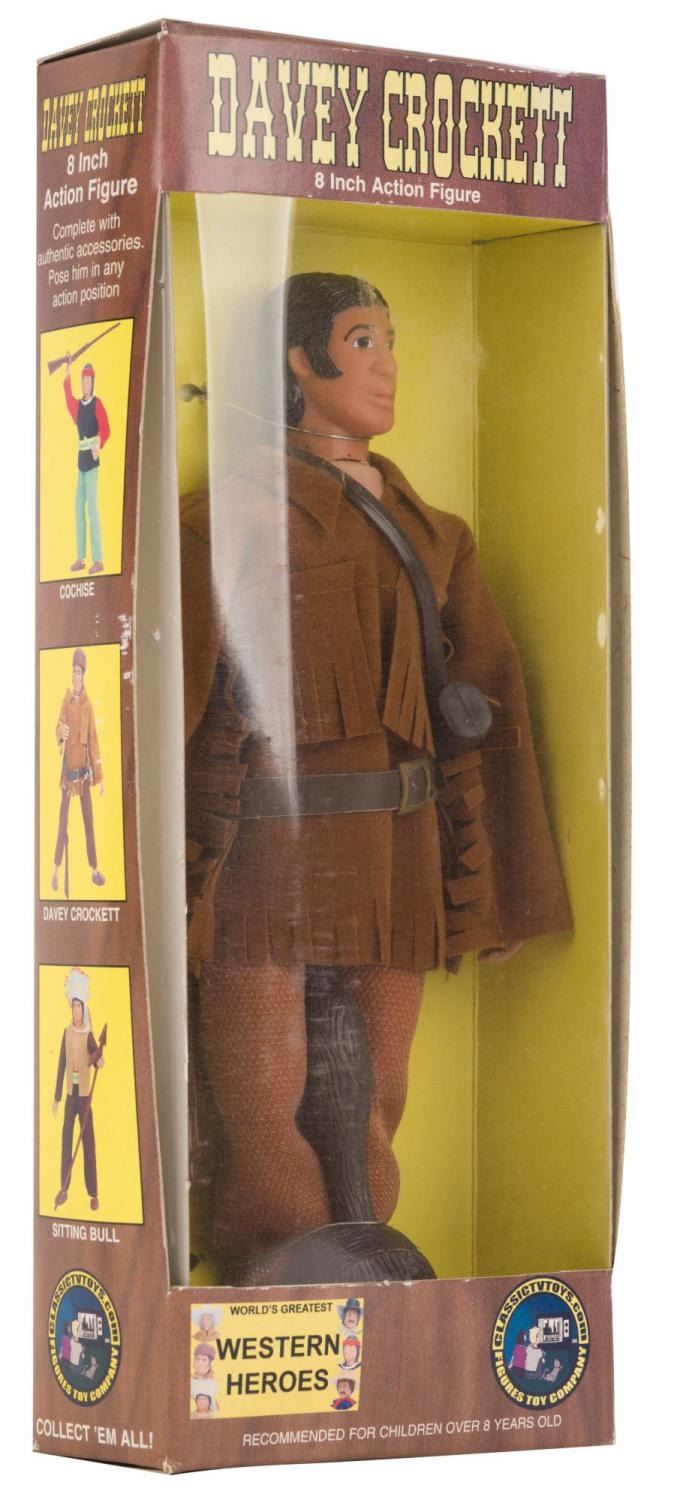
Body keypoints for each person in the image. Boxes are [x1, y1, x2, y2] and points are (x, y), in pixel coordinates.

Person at [181, 272, 571, 1282]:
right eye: (362, 341)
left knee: (375, 1098)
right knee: (260, 1100)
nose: (388, 365)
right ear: (299, 362)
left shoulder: (436, 536)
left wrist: (501, 890)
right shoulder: (225, 521)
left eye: (391, 340)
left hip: (396, 859)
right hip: (265, 865)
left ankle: (374, 1289)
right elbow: (172, 714)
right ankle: (278, 1282)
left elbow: (489, 708)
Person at [51, 648, 106, 893]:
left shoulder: (87, 706)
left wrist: (99, 777)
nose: (76, 676)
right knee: (62, 822)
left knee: (88, 822)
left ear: (83, 675)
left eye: (79, 672)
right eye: (73, 671)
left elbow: (93, 742)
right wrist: (60, 733)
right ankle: (55, 870)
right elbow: (58, 728)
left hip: (83, 776)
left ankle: (94, 869)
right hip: (67, 774)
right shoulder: (66, 701)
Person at [52, 968, 104, 1210]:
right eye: (73, 1007)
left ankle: (93, 1192)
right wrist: (56, 1097)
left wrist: (99, 1060)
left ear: (83, 1009)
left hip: (84, 1097)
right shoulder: (66, 1032)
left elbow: (97, 1056)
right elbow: (61, 1063)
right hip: (70, 1096)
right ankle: (63, 1188)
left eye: (78, 1007)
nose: (75, 1011)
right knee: (66, 1141)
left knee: (88, 1143)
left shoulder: (89, 1035)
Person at [63, 354, 110, 575]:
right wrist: (67, 371)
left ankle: (98, 559)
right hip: (80, 462)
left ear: (93, 382)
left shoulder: (97, 404)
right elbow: (68, 397)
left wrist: (99, 442)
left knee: (92, 507)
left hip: (92, 462)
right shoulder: (78, 407)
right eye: (83, 380)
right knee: (77, 507)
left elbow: (106, 428)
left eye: (88, 380)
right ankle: (81, 558)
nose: (85, 383)